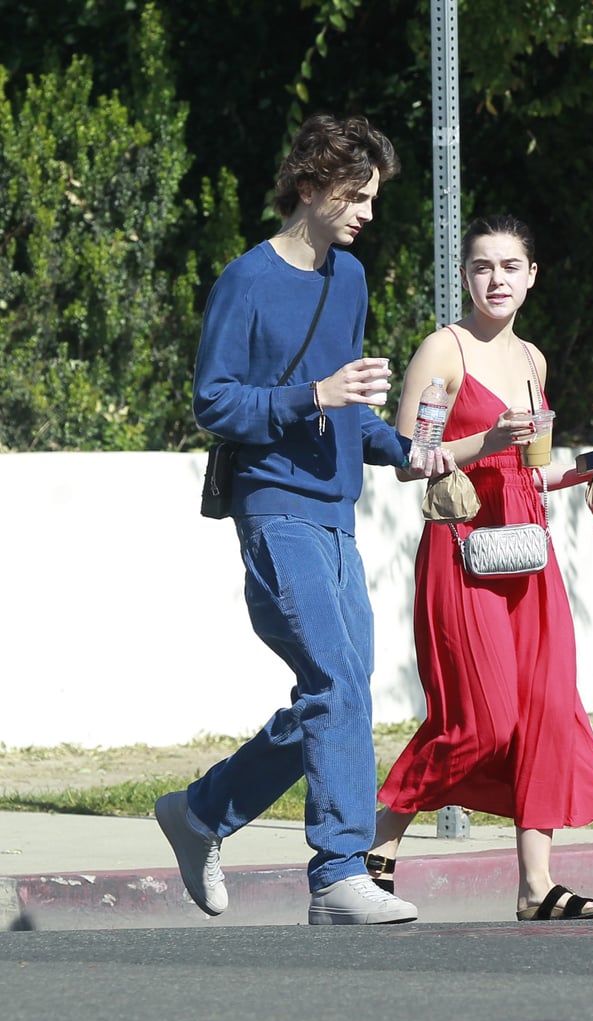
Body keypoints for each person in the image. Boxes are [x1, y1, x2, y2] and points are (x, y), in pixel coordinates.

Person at [155, 114, 440, 926]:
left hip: (336, 513)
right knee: (338, 684)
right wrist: (309, 396)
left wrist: (402, 450)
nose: (365, 214)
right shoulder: (246, 280)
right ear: (309, 188)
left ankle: (202, 811)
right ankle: (340, 872)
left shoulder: (346, 279)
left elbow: (347, 399)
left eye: (373, 198)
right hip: (274, 509)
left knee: (334, 694)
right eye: (354, 196)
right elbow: (214, 401)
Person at [365, 214, 593, 921]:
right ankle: (373, 845)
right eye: (482, 266)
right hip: (463, 558)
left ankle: (535, 886)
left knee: (545, 713)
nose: (495, 279)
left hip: (529, 558)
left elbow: (530, 477)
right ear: (465, 275)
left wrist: (589, 470)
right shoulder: (443, 352)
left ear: (530, 276)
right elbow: (405, 460)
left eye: (509, 267)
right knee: (477, 723)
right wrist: (485, 436)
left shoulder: (532, 361)